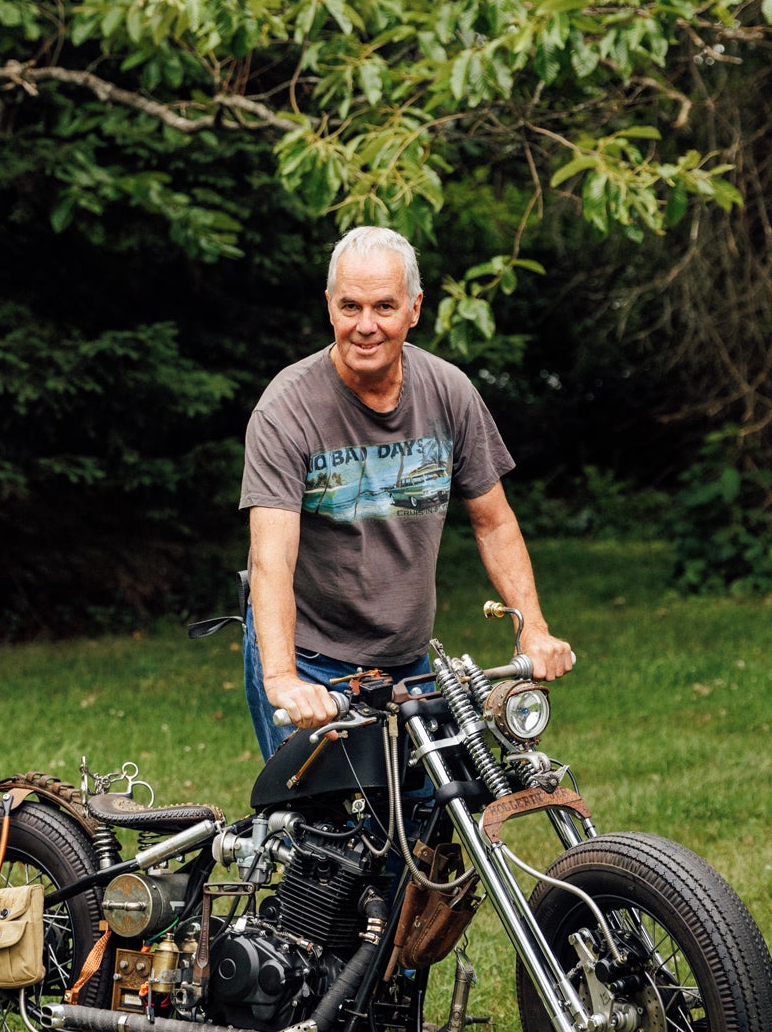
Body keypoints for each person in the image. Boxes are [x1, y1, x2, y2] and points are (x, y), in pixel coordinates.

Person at [239, 225, 575, 759]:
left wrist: (532, 629)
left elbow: (494, 521)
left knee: (429, 825)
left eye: (384, 307)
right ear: (329, 307)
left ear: (414, 309)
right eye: (350, 307)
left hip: (407, 656)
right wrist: (282, 679)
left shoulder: (449, 392)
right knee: (322, 828)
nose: (365, 326)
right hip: (310, 656)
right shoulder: (286, 409)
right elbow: (272, 557)